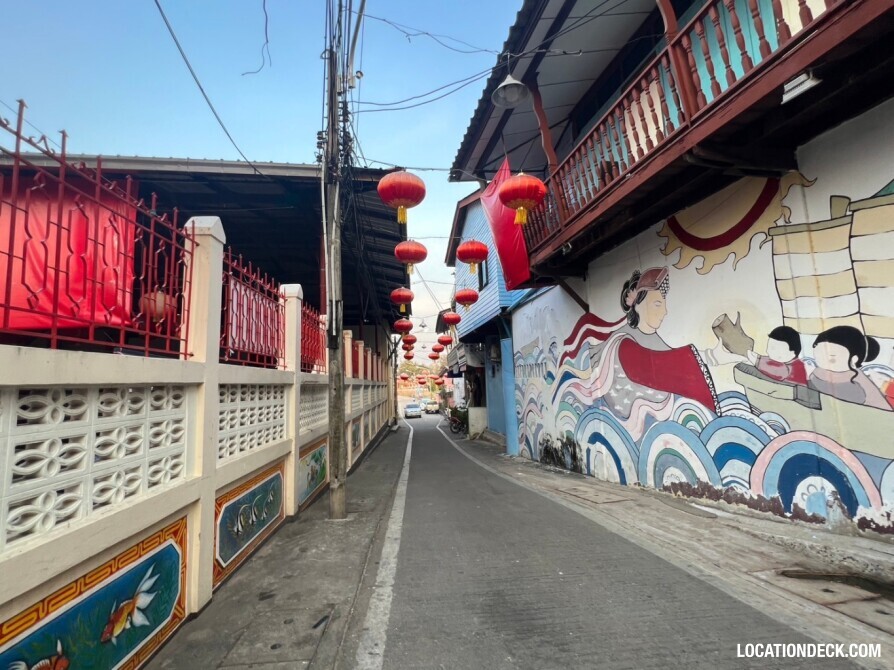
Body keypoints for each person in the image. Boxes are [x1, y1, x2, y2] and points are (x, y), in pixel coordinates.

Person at [808, 325, 891, 410]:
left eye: (832, 356)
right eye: (818, 353)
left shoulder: (858, 381)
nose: (823, 359)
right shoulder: (816, 372)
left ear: (854, 359)